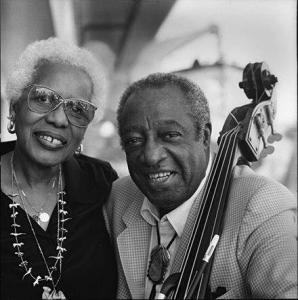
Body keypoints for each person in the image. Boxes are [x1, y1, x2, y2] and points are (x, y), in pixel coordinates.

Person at [105, 72, 297, 299]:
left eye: (170, 135)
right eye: (134, 140)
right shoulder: (119, 197)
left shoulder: (261, 204)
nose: (150, 156)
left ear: (205, 137)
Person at [1, 37, 118, 300]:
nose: (58, 119)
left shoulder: (101, 183)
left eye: (77, 109)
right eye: (43, 98)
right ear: (14, 108)